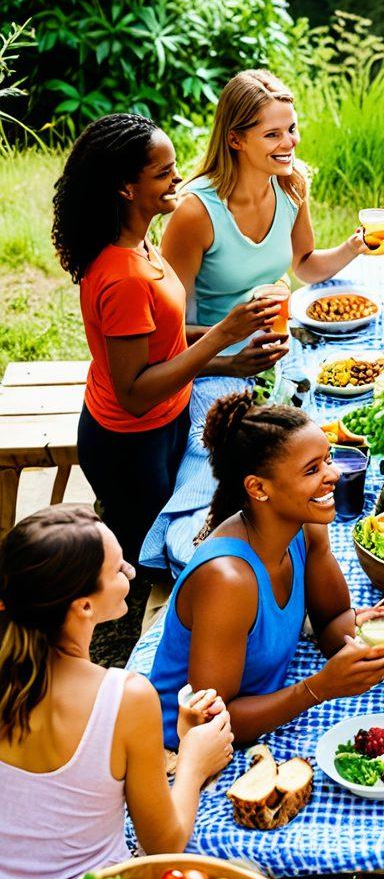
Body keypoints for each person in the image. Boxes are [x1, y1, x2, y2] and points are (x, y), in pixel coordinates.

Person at [146, 393, 384, 879]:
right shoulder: (228, 578)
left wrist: (368, 637)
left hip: (267, 706)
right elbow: (211, 724)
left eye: (328, 460)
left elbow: (330, 621)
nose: (333, 476)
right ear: (259, 488)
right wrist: (321, 686)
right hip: (192, 750)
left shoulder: (304, 526)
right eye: (314, 468)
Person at [141, 69, 371, 575]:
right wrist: (230, 349)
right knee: (220, 466)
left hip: (272, 352)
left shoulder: (290, 187)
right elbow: (166, 331)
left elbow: (305, 264)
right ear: (236, 139)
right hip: (208, 361)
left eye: (292, 129)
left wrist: (355, 246)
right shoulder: (196, 213)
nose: (288, 143)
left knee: (317, 439)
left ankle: (285, 545)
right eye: (273, 134)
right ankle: (195, 556)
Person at [0, 506, 232, 879]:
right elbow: (165, 843)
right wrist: (193, 758)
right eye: (119, 569)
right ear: (84, 606)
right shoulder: (126, 697)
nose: (131, 573)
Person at [51, 113, 281, 570]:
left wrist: (231, 361)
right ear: (125, 188)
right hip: (131, 445)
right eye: (162, 172)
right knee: (154, 562)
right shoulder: (124, 278)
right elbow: (135, 394)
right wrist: (222, 335)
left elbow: (164, 343)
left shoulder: (139, 244)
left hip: (167, 421)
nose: (179, 177)